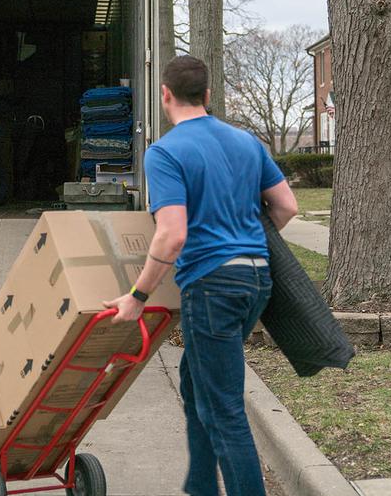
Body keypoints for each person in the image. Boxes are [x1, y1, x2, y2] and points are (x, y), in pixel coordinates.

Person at [104, 55, 298, 496]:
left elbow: (171, 236)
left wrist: (137, 295)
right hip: (256, 281)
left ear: (166, 96)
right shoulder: (247, 142)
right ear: (208, 96)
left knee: (224, 408)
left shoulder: (167, 152)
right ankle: (199, 486)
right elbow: (286, 207)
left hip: (212, 287)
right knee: (195, 381)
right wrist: (243, 241)